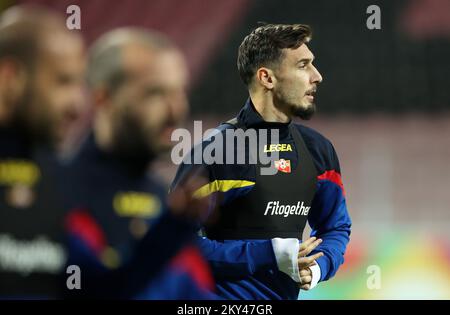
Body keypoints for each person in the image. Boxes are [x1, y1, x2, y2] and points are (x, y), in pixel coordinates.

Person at [171, 24, 352, 300]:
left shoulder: (318, 151)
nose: (317, 76)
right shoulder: (217, 151)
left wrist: (320, 265)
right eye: (303, 65)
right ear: (267, 78)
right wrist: (269, 254)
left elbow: (335, 226)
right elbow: (175, 243)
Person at [63, 27, 214, 299]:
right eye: (156, 93)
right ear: (103, 98)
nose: (176, 110)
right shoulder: (59, 194)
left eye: (179, 92)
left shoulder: (170, 203)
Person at [0, 5, 86, 298]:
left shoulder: (59, 180)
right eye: (62, 81)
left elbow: (106, 285)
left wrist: (173, 226)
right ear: (10, 77)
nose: (78, 106)